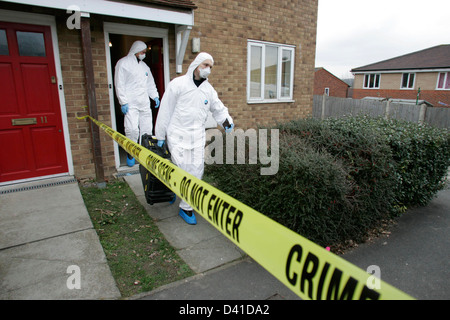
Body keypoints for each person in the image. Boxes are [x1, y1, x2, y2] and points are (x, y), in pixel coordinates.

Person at [155, 52, 234, 225]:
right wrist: (160, 134)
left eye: (211, 67)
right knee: (181, 170)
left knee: (196, 171)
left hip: (197, 136)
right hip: (177, 134)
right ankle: (175, 193)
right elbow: (165, 110)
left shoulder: (208, 90)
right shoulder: (178, 84)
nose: (208, 69)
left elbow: (218, 108)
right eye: (205, 65)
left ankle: (186, 207)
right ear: (197, 64)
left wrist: (227, 122)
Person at [114, 40, 160, 167]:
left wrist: (155, 96)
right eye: (143, 52)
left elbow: (150, 84)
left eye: (145, 52)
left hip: (144, 103)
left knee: (146, 130)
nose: (144, 54)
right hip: (131, 104)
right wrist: (123, 102)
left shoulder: (145, 67)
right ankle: (131, 152)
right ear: (136, 50)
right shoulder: (123, 63)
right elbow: (119, 83)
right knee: (132, 130)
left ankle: (145, 153)